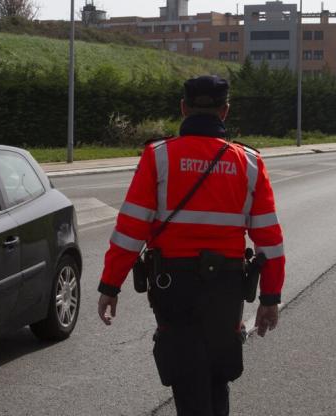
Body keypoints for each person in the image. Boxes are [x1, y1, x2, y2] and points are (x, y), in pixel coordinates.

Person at [97, 75, 286, 415]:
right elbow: (269, 241)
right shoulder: (251, 162)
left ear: (183, 108)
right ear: (224, 112)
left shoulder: (159, 156)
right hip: (227, 289)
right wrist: (270, 298)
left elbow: (129, 231)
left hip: (173, 287)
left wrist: (110, 285)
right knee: (218, 374)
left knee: (186, 373)